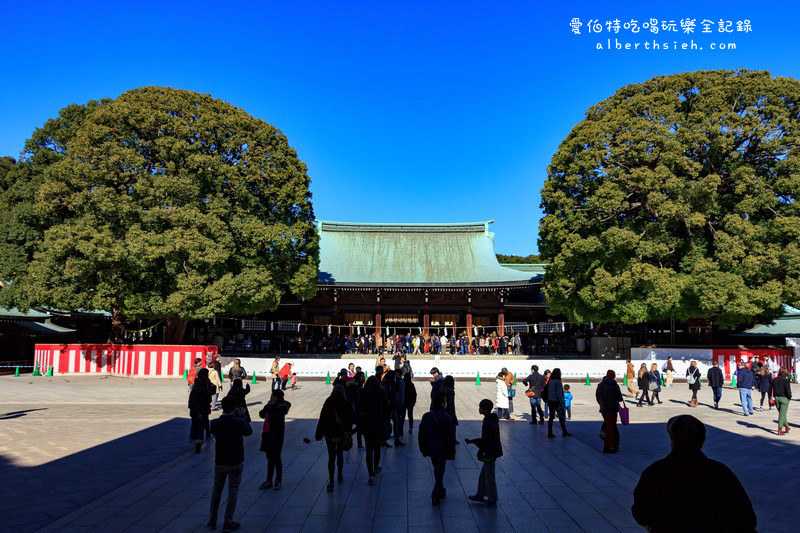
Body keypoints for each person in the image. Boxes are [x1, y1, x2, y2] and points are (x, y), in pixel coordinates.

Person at [631, 415, 756, 532]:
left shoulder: (656, 472)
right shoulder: (719, 472)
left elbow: (641, 513)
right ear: (702, 441)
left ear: (672, 440)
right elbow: (745, 517)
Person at [208, 396, 253, 531]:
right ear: (234, 407)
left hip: (220, 460)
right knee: (232, 491)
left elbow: (212, 432)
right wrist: (243, 416)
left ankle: (212, 520)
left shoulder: (215, 423)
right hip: (236, 460)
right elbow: (249, 431)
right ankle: (228, 520)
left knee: (217, 491)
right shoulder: (239, 422)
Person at [417, 394, 456, 506]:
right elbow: (451, 436)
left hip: (431, 447)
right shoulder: (447, 417)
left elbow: (421, 434)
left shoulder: (427, 416)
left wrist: (422, 448)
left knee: (437, 468)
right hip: (443, 448)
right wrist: (452, 451)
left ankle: (440, 488)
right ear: (443, 403)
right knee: (440, 469)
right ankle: (436, 493)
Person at [466, 399, 502, 507]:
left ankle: (492, 499)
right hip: (492, 451)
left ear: (485, 410)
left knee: (489, 476)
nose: (479, 409)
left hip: (490, 452)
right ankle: (480, 494)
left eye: (480, 407)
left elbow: (487, 440)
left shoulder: (488, 423)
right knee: (483, 475)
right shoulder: (491, 419)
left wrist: (474, 441)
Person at [315, 384, 352, 491]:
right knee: (340, 455)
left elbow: (322, 417)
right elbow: (349, 419)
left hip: (329, 433)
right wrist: (348, 431)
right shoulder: (345, 402)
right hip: (340, 433)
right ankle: (340, 475)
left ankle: (331, 480)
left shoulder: (328, 401)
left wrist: (319, 432)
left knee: (331, 457)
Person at [258, 389, 291, 490]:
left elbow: (275, 416)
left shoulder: (281, 408)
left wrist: (271, 407)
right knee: (269, 458)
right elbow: (261, 414)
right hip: (267, 434)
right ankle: (269, 480)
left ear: (278, 398)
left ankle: (278, 479)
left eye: (274, 396)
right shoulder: (270, 406)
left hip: (277, 436)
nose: (272, 398)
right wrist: (268, 405)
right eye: (272, 396)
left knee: (276, 457)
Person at [358, 376, 388, 485]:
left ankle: (370, 474)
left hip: (367, 425)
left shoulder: (362, 392)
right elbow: (386, 408)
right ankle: (376, 468)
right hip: (378, 424)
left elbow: (359, 408)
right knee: (377, 447)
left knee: (369, 449)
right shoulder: (381, 392)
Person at [189, 368, 216, 452]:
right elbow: (209, 399)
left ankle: (193, 437)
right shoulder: (206, 389)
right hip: (204, 409)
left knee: (194, 424)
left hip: (194, 409)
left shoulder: (194, 390)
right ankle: (200, 439)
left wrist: (191, 407)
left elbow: (190, 400)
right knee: (202, 424)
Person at [596, 370, 623, 453]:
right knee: (611, 427)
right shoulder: (615, 386)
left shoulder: (600, 385)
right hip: (613, 409)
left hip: (604, 409)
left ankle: (613, 444)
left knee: (609, 426)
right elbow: (620, 398)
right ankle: (609, 446)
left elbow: (597, 396)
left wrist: (601, 403)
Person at [546, 368, 571, 438]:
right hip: (557, 401)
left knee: (551, 417)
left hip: (550, 400)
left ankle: (549, 432)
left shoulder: (550, 381)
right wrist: (561, 402)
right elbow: (559, 393)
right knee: (561, 417)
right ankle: (564, 432)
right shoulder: (558, 381)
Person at [772, 368, 792, 435]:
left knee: (782, 414)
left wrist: (772, 397)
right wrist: (789, 397)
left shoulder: (774, 379)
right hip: (784, 398)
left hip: (776, 398)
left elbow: (770, 389)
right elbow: (788, 391)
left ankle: (786, 427)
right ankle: (780, 429)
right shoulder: (786, 380)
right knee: (782, 414)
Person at [442, 375, 459, 443]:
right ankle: (452, 439)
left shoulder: (442, 389)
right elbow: (451, 402)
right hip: (450, 410)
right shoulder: (451, 390)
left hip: (443, 410)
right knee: (452, 426)